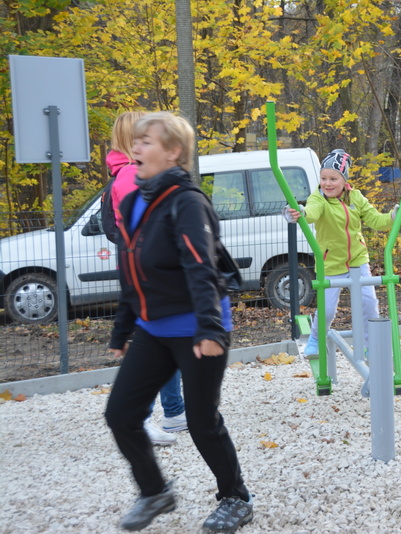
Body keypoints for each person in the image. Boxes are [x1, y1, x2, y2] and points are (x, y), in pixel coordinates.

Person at [104, 112, 253, 533]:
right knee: (121, 414)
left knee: (202, 422)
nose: (136, 147)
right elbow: (131, 271)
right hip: (153, 328)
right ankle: (155, 491)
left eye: (146, 141)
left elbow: (200, 266)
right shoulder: (134, 202)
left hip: (197, 327)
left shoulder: (187, 202)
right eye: (136, 141)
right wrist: (122, 329)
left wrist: (210, 328)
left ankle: (236, 498)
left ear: (173, 152)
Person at [107, 111, 187, 446]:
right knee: (152, 344)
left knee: (163, 340)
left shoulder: (127, 172)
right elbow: (142, 227)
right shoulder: (130, 175)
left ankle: (173, 411)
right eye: (142, 137)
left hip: (148, 272)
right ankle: (142, 416)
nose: (145, 142)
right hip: (147, 273)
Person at [286, 149, 401, 358]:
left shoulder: (356, 197)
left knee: (369, 303)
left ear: (344, 180)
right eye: (323, 178)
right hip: (330, 262)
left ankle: (370, 346)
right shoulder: (318, 198)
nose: (327, 184)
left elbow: (376, 221)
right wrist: (302, 213)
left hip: (357, 260)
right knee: (327, 310)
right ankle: (316, 338)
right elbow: (312, 213)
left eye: (333, 179)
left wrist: (393, 215)